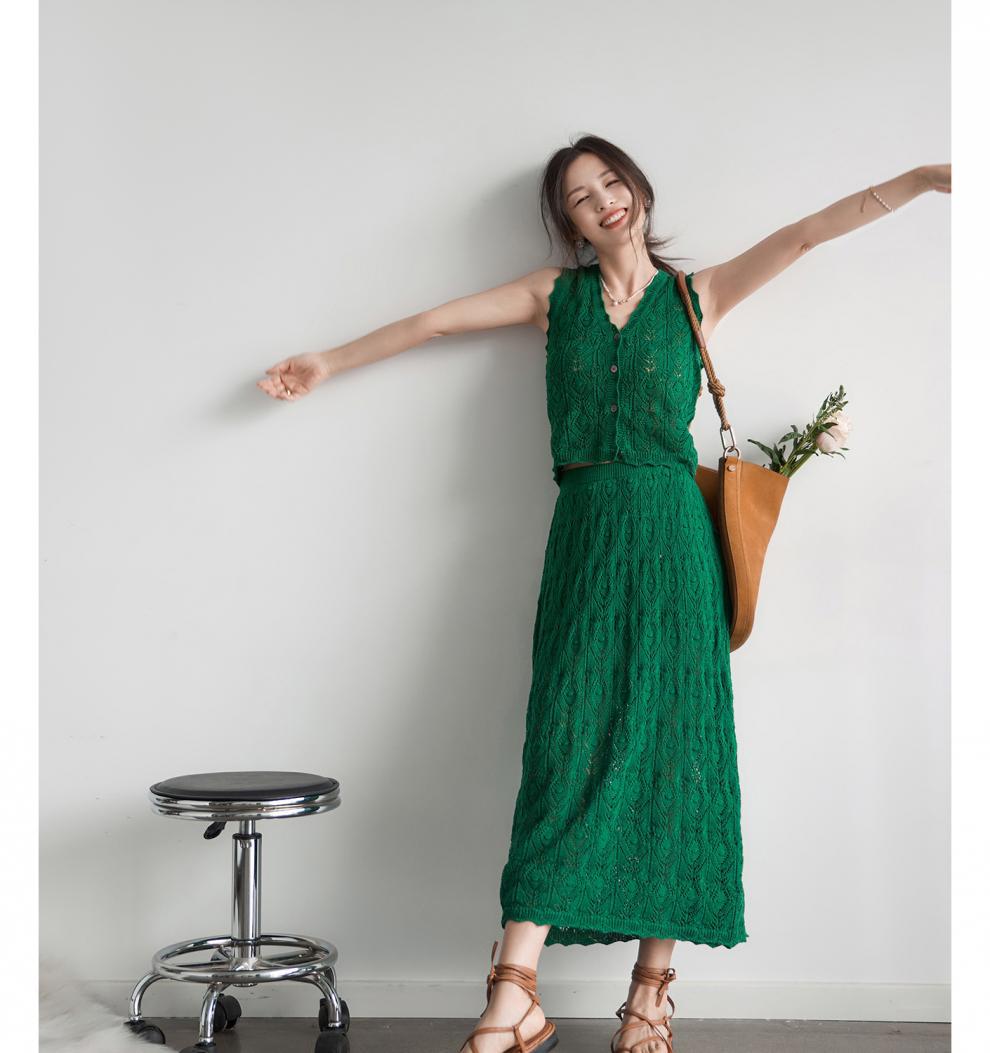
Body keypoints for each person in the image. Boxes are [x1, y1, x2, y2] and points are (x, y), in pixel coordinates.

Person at [258, 140, 950, 1053]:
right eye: (582, 198)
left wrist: (926, 178)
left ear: (638, 189)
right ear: (571, 223)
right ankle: (515, 992)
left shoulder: (697, 296)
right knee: (567, 743)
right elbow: (432, 323)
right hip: (585, 536)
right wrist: (327, 360)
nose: (604, 202)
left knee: (679, 749)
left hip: (676, 543)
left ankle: (649, 997)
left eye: (612, 183)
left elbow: (809, 233)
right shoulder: (555, 296)